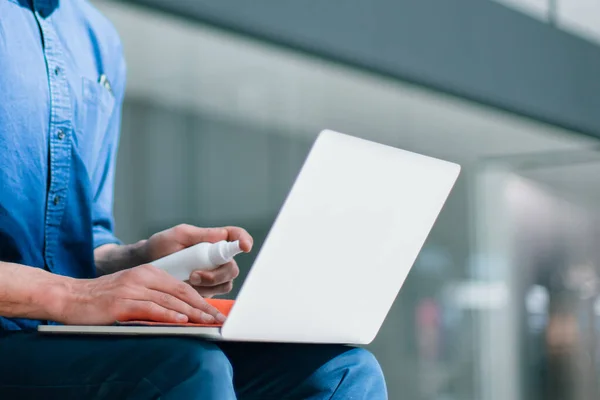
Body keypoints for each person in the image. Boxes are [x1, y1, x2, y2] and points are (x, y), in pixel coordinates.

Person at [0, 0, 388, 398]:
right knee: (187, 368)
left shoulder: (97, 39)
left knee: (342, 371)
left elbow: (83, 237)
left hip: (65, 341)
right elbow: (71, 288)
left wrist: (141, 260)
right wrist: (70, 294)